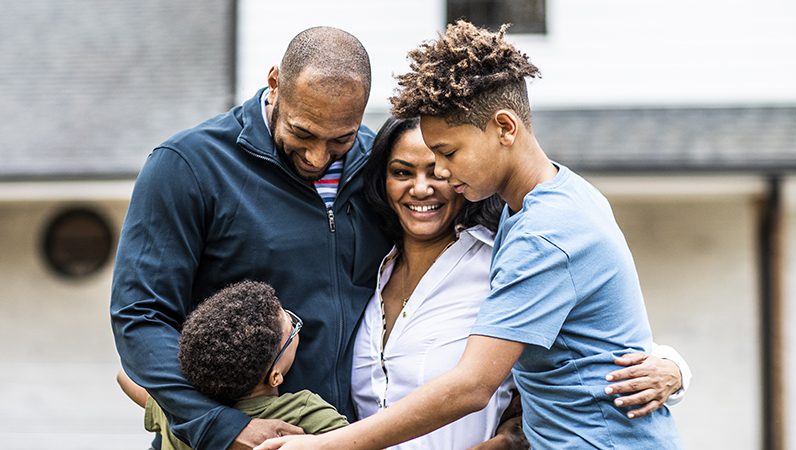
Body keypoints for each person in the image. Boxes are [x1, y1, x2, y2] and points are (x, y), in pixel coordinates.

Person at [258, 21, 684, 450]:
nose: (441, 172)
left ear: (505, 128)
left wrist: (324, 446)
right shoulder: (546, 204)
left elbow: (473, 386)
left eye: (448, 153)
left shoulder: (545, 232)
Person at [110, 26, 391, 450]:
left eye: (341, 139)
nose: (317, 157)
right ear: (274, 83)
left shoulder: (382, 168)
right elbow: (141, 317)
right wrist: (224, 428)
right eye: (302, 132)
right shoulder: (187, 166)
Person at [348, 116, 691, 449]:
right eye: (402, 172)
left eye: (441, 165)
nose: (423, 186)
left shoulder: (509, 255)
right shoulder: (365, 267)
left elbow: (595, 337)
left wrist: (673, 367)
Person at [116, 280, 348, 450]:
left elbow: (123, 376)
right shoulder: (302, 412)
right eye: (292, 328)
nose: (295, 325)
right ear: (275, 375)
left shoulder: (177, 413)